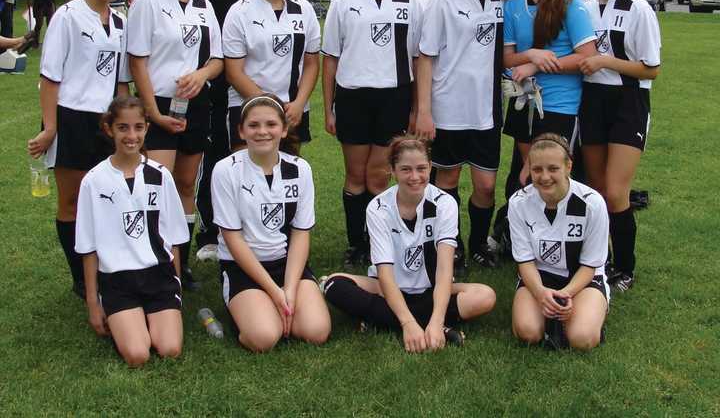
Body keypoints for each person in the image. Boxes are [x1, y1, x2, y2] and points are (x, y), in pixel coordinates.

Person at [192, 0, 298, 263]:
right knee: (223, 161)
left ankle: (273, 232)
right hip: (225, 87)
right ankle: (212, 231)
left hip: (279, 93)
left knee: (278, 164)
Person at [321, 136, 496, 352]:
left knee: (485, 296)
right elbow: (384, 273)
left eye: (421, 168)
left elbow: (444, 270)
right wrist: (408, 324)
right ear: (392, 171)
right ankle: (416, 322)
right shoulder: (378, 208)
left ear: (430, 167)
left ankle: (382, 320)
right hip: (386, 289)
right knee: (333, 285)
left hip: (431, 290)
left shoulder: (445, 204)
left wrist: (437, 320)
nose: (415, 177)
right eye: (405, 169)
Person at [27, 0, 131, 298]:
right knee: (72, 202)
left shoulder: (120, 22)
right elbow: (50, 77)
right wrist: (50, 127)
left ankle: (106, 268)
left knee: (107, 197)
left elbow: (120, 79)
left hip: (106, 123)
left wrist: (125, 124)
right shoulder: (68, 16)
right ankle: (79, 279)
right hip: (70, 119)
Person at [322, 0, 424, 267]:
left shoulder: (411, 2)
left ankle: (380, 238)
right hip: (353, 96)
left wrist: (416, 107)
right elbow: (331, 59)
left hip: (394, 96)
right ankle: (357, 243)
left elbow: (418, 59)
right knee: (355, 175)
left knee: (378, 175)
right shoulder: (343, 2)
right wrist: (329, 107)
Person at [127, 0, 223, 290]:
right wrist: (151, 112)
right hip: (159, 106)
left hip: (195, 105)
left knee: (185, 184)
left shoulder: (203, 6)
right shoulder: (148, 3)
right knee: (157, 185)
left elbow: (218, 58)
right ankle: (151, 262)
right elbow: (137, 61)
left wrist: (201, 75)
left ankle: (180, 265)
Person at [211, 94, 331, 352]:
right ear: (241, 131)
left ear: (284, 129)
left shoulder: (300, 169)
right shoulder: (225, 170)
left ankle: (270, 307)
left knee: (316, 332)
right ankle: (249, 311)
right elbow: (233, 239)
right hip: (243, 267)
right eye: (253, 125)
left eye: (271, 125)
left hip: (287, 265)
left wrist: (288, 289)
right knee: (264, 337)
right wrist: (275, 293)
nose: (262, 132)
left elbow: (300, 233)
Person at [75, 96, 188, 366]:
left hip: (158, 276)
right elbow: (88, 248)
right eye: (123, 127)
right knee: (138, 355)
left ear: (147, 128)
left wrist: (177, 288)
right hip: (118, 280)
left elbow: (174, 240)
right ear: (109, 129)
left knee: (170, 349)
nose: (131, 135)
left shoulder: (160, 175)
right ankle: (128, 320)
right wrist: (93, 302)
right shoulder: (94, 180)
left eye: (138, 127)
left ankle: (151, 316)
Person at [416, 0, 504, 270]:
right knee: (447, 181)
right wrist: (424, 110)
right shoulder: (443, 0)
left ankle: (479, 243)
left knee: (486, 185)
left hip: (486, 109)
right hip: (448, 106)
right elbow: (425, 57)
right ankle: (450, 247)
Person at [579, 0, 661, 293]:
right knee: (596, 191)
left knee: (615, 192)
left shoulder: (638, 9)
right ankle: (601, 262)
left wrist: (605, 61)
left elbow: (651, 68)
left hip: (628, 101)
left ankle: (625, 267)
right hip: (592, 100)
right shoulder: (581, 3)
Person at [503, 0, 597, 189]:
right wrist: (532, 55)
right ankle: (514, 228)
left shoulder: (570, 4)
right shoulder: (512, 4)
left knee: (553, 181)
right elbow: (507, 59)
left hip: (560, 106)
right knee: (520, 181)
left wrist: (537, 64)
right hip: (523, 101)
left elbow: (588, 58)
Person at [509, 133, 609, 351]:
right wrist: (540, 293)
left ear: (568, 166)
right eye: (537, 169)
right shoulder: (518, 203)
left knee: (581, 339)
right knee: (528, 332)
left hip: (581, 280)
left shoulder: (593, 204)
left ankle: (583, 317)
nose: (545, 177)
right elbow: (524, 262)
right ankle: (550, 318)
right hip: (538, 278)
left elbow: (590, 266)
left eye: (553, 168)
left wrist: (566, 293)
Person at [223, 0, 320, 152]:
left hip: (292, 109)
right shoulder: (239, 12)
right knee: (247, 177)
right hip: (248, 106)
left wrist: (299, 103)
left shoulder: (304, 9)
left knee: (285, 175)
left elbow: (312, 64)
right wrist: (266, 107)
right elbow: (233, 72)